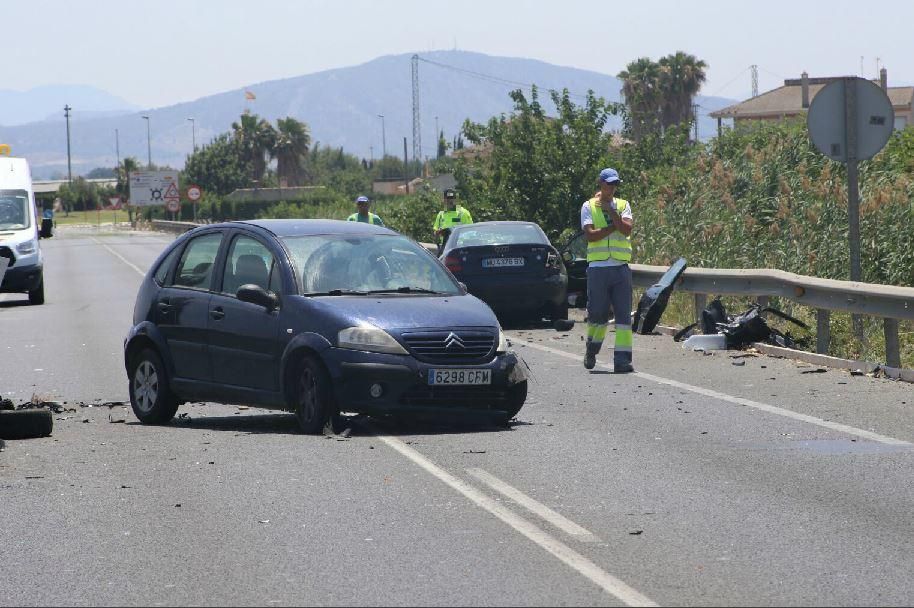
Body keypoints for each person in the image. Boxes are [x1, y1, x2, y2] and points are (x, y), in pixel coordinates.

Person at [581, 168, 634, 373]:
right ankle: (592, 348)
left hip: (620, 267)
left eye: (615, 184)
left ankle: (622, 360)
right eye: (608, 184)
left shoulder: (623, 205)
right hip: (598, 269)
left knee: (623, 317)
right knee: (598, 315)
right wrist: (615, 226)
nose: (612, 187)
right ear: (600, 184)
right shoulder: (588, 206)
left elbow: (627, 230)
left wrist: (612, 212)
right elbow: (591, 235)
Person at [433, 189, 473, 253]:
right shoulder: (441, 215)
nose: (450, 201)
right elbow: (435, 232)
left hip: (459, 247)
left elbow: (471, 231)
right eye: (447, 199)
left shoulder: (463, 213)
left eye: (451, 198)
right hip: (445, 247)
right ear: (444, 200)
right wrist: (438, 233)